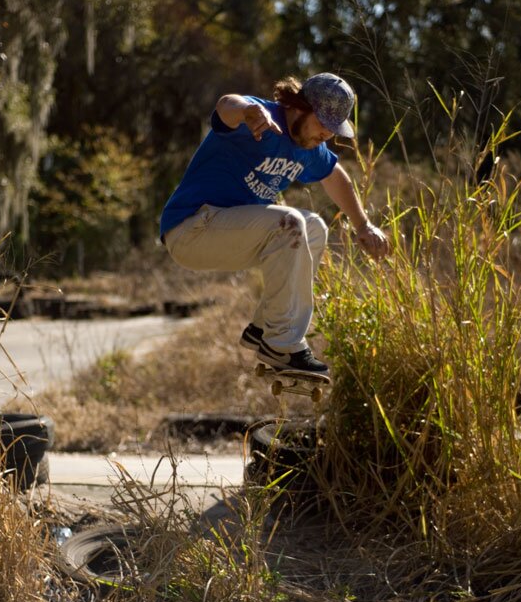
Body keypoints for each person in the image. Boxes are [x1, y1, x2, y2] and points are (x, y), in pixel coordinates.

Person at [160, 72, 388, 377]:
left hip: (224, 233)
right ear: (299, 106)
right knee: (289, 221)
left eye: (334, 129)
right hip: (191, 228)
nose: (327, 135)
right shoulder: (264, 118)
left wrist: (363, 226)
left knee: (314, 227)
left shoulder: (308, 148)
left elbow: (336, 177)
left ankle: (264, 327)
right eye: (323, 124)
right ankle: (282, 345)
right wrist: (247, 113)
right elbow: (227, 104)